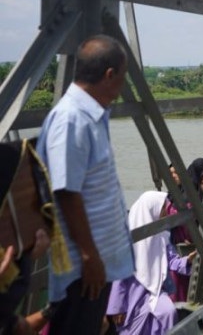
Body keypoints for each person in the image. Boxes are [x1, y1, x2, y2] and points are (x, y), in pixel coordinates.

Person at [36, 34, 134, 335]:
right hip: (83, 267)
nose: (121, 87)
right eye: (122, 77)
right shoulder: (72, 119)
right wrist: (90, 256)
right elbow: (66, 192)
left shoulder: (91, 115)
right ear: (109, 75)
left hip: (96, 263)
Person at [107, 191, 195, 334]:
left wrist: (187, 261)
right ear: (150, 210)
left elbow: (171, 260)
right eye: (162, 209)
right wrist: (117, 307)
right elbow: (119, 278)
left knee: (168, 312)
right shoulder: (127, 241)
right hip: (132, 295)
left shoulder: (162, 237)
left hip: (156, 290)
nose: (165, 214)